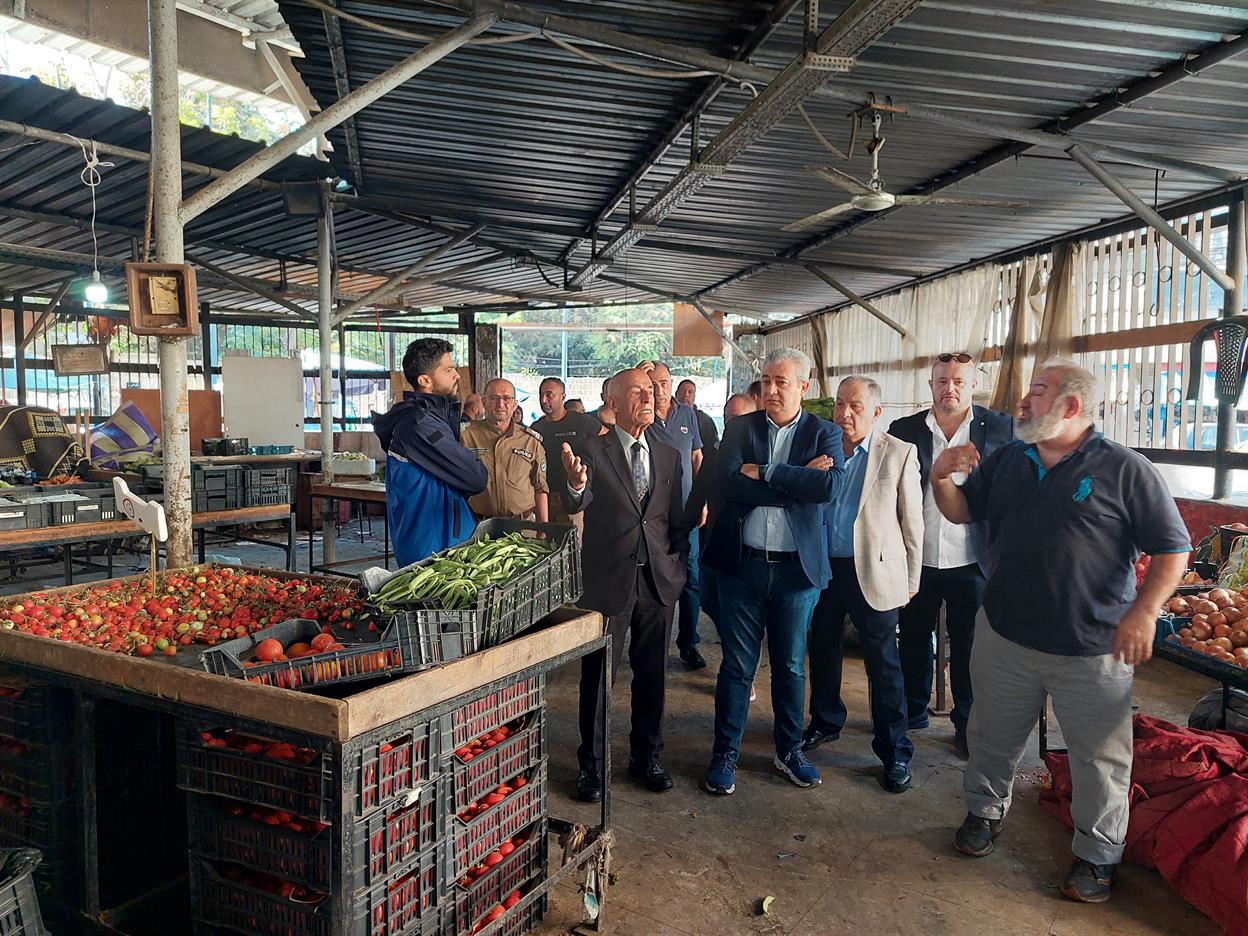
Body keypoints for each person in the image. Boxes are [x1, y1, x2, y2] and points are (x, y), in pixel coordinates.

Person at [932, 360, 1189, 903]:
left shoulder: (1125, 469)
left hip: (1092, 648)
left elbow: (1172, 548)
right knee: (991, 734)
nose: (1023, 402)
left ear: (1072, 406)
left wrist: (1144, 612)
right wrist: (939, 478)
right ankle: (984, 812)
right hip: (1006, 635)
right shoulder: (1010, 459)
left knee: (1098, 756)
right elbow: (961, 512)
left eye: (1038, 392)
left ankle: (1098, 854)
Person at [702, 349, 844, 795]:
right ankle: (725, 754)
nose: (772, 389)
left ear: (804, 386)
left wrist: (764, 472)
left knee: (790, 666)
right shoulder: (741, 428)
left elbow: (828, 486)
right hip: (742, 566)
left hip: (796, 574)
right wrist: (794, 481)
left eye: (782, 382)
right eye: (766, 380)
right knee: (737, 666)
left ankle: (789, 751)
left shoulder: (825, 432)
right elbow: (726, 484)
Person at [562, 369, 689, 802]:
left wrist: (676, 565)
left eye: (650, 391)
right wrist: (576, 484)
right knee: (599, 678)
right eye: (637, 391)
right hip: (609, 581)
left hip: (658, 581)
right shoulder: (590, 450)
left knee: (653, 675)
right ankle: (593, 767)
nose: (648, 397)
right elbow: (577, 497)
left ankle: (646, 758)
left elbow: (675, 519)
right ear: (613, 402)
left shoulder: (668, 454)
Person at [889, 353, 1015, 757]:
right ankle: (912, 712)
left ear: (973, 385)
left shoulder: (1000, 428)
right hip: (918, 556)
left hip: (973, 559)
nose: (950, 388)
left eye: (959, 381)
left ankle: (966, 722)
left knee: (969, 647)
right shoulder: (904, 430)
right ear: (931, 386)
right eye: (942, 381)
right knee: (912, 639)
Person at [803, 376, 923, 794]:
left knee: (883, 663)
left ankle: (894, 750)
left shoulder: (899, 453)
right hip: (825, 568)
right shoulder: (821, 449)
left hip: (875, 570)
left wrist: (911, 579)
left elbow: (912, 522)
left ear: (876, 412)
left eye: (855, 406)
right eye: (840, 405)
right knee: (823, 649)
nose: (845, 414)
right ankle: (825, 720)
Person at [373, 338, 487, 567]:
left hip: (440, 543)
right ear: (425, 380)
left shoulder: (428, 418)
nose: (457, 375)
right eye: (449, 370)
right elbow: (476, 477)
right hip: (434, 551)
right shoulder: (421, 425)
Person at [683, 392, 758, 697]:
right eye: (727, 419)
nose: (731, 425)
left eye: (737, 420)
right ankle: (739, 663)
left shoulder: (763, 457)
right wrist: (679, 532)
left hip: (748, 552)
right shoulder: (714, 456)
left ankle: (742, 673)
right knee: (710, 602)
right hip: (713, 545)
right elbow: (697, 496)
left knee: (739, 616)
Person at [639, 361, 705, 670]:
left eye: (663, 383)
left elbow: (696, 456)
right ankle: (654, 645)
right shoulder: (641, 416)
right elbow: (608, 420)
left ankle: (689, 643)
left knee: (691, 577)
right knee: (655, 578)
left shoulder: (687, 414)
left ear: (671, 383)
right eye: (651, 384)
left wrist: (702, 500)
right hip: (654, 514)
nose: (659, 390)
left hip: (686, 512)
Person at [461, 378, 549, 522]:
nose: (500, 404)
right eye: (494, 398)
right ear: (484, 402)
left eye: (507, 398)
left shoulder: (530, 441)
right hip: (478, 525)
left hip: (523, 525)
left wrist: (543, 528)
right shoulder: (466, 436)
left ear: (515, 404)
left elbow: (540, 488)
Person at [532, 377, 605, 535]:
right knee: (544, 545)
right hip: (545, 498)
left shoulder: (580, 421)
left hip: (574, 497)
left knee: (572, 545)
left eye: (549, 395)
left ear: (563, 397)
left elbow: (607, 440)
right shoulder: (537, 428)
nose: (544, 400)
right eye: (541, 394)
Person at [677, 379, 720, 455]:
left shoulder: (705, 421)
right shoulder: (669, 418)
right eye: (683, 391)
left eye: (690, 392)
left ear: (694, 397)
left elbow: (712, 448)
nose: (686, 395)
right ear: (676, 394)